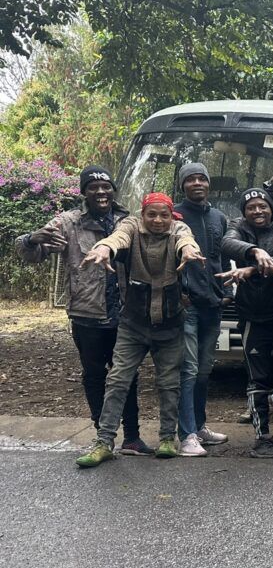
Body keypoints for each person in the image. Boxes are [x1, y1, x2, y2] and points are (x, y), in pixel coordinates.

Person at [15, 166, 149, 454]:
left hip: (126, 313)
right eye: (93, 186)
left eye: (105, 186)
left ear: (113, 189)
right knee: (93, 374)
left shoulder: (128, 221)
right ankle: (103, 437)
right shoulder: (68, 222)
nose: (100, 191)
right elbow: (32, 254)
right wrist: (31, 239)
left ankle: (132, 437)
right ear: (84, 192)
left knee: (127, 375)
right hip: (87, 313)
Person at [75, 193, 205, 467]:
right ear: (143, 214)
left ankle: (168, 438)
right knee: (118, 380)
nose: (158, 220)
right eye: (152, 214)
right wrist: (103, 248)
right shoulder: (131, 226)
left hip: (170, 326)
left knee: (169, 384)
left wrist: (189, 250)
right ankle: (104, 441)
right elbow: (117, 237)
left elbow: (186, 239)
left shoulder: (179, 228)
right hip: (133, 325)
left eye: (164, 215)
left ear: (171, 216)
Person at [219, 188, 273, 457]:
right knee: (258, 379)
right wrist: (255, 251)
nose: (257, 211)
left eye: (263, 206)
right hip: (253, 316)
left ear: (272, 207)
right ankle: (262, 437)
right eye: (251, 207)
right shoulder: (237, 226)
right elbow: (227, 243)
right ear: (244, 212)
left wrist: (250, 269)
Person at [173, 162, 229, 457]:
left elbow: (222, 257)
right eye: (191, 179)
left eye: (202, 179)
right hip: (188, 305)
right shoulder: (173, 216)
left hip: (213, 303)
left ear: (209, 184)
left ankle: (200, 425)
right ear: (183, 185)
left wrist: (227, 292)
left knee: (205, 370)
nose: (197, 183)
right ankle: (187, 435)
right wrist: (178, 291)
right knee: (189, 370)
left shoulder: (219, 217)